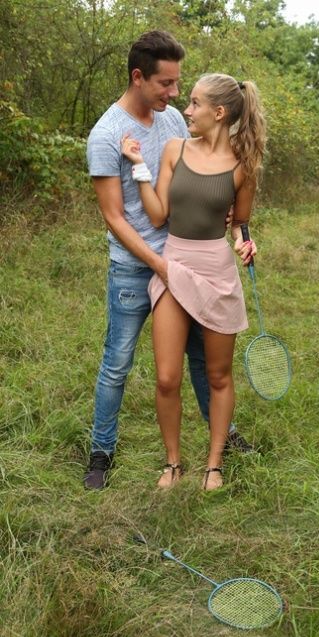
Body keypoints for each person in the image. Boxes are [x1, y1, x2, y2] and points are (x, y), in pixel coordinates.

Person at [84, 31, 255, 491]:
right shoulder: (106, 136)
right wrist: (160, 266)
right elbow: (115, 217)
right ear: (139, 78)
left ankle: (221, 444)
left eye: (181, 85)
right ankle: (102, 452)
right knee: (119, 362)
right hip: (137, 266)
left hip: (188, 260)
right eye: (167, 83)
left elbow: (201, 178)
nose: (176, 95)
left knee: (204, 361)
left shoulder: (174, 122)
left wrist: (227, 219)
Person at [121, 72, 266, 490]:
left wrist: (245, 242)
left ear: (218, 113)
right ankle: (173, 463)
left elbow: (240, 223)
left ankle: (214, 464)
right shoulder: (175, 149)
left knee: (218, 376)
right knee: (167, 377)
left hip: (216, 273)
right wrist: (139, 167)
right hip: (174, 267)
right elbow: (157, 216)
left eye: (195, 103)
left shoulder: (243, 166)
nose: (186, 109)